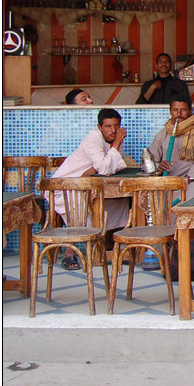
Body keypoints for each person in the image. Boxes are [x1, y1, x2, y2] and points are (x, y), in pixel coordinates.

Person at [51, 108, 130, 270]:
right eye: (108, 126)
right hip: (65, 187)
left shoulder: (113, 140)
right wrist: (113, 148)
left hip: (86, 184)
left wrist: (95, 169)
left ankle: (108, 245)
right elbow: (104, 166)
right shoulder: (93, 139)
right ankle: (69, 251)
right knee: (82, 204)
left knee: (120, 200)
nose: (113, 130)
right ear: (99, 127)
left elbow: (110, 167)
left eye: (116, 126)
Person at [148, 94, 194, 199]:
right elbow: (150, 162)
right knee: (158, 207)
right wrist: (159, 167)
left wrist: (189, 177)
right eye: (175, 110)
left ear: (190, 111)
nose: (178, 114)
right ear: (170, 111)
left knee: (191, 205)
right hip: (171, 181)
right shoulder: (164, 133)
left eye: (183, 110)